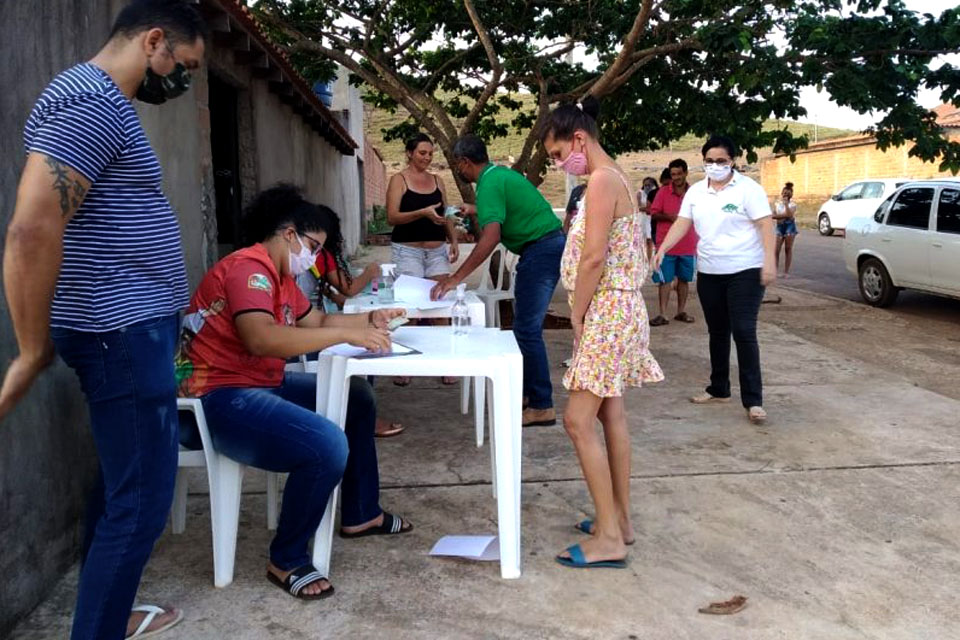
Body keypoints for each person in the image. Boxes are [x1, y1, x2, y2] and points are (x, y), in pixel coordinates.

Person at [0, 2, 206, 637]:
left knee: (123, 491)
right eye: (186, 66)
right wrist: (31, 351)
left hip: (130, 331)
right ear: (153, 42)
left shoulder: (99, 101)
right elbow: (33, 227)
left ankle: (105, 615)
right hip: (121, 334)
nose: (183, 82)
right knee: (141, 506)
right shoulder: (91, 100)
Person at [176, 184, 413, 600]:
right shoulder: (248, 269)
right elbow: (262, 340)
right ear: (289, 234)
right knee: (326, 444)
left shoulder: (281, 277)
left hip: (259, 384)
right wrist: (350, 334)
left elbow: (316, 323)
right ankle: (286, 557)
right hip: (218, 399)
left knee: (357, 398)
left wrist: (368, 322)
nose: (316, 258)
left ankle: (361, 514)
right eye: (313, 246)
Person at [540, 98, 663, 569]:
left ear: (578, 139)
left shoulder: (602, 181)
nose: (558, 164)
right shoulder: (617, 177)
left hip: (606, 311)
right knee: (611, 414)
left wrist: (578, 313)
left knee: (576, 420)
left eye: (556, 155)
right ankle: (620, 519)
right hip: (618, 308)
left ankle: (610, 536)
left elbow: (593, 257)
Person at [431, 135, 565, 427]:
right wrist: (473, 209)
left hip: (540, 250)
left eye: (458, 165)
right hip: (546, 246)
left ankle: (542, 405)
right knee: (523, 327)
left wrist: (456, 277)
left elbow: (490, 237)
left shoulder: (489, 183)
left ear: (465, 162)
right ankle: (530, 395)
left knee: (527, 330)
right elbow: (503, 208)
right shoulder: (498, 175)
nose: (459, 170)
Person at [654, 135, 776, 424]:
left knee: (744, 332)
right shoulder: (696, 192)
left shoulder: (749, 189)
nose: (715, 166)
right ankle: (719, 388)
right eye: (709, 161)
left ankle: (753, 400)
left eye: (721, 161)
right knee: (717, 331)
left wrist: (769, 260)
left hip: (745, 270)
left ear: (732, 161)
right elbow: (683, 223)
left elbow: (764, 224)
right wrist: (662, 249)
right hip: (710, 271)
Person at [385, 133, 460, 386]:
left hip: (437, 250)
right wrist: (422, 213)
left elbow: (447, 211)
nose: (427, 158)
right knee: (411, 309)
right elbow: (392, 217)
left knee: (440, 305)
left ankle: (444, 362)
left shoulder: (438, 180)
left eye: (430, 153)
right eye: (422, 153)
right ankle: (405, 364)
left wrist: (453, 239)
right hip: (408, 251)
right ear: (409, 153)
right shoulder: (399, 180)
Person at [648, 158, 698, 326]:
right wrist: (669, 217)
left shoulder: (694, 192)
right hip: (666, 245)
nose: (676, 177)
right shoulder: (662, 192)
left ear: (685, 173)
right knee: (665, 280)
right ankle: (663, 313)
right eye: (673, 174)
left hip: (688, 244)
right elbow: (653, 213)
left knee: (684, 280)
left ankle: (681, 311)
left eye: (678, 174)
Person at [773, 182, 799, 277]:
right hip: (780, 227)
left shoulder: (793, 205)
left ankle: (786, 272)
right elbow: (773, 215)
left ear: (791, 195)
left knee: (788, 249)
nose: (785, 195)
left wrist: (786, 205)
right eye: (784, 193)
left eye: (788, 193)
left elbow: (789, 214)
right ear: (781, 193)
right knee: (776, 250)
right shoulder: (777, 204)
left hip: (789, 227)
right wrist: (780, 217)